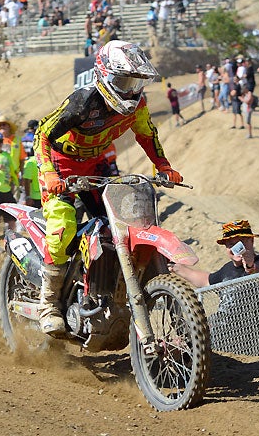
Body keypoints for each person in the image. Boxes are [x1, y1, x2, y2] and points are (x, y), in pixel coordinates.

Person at [34, 40, 183, 335]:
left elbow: (146, 133)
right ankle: (48, 303)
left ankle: (109, 286)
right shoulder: (83, 102)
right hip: (62, 168)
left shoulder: (137, 104)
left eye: (134, 82)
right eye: (123, 81)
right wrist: (50, 173)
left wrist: (163, 166)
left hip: (96, 166)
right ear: (103, 75)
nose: (128, 90)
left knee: (122, 222)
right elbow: (42, 135)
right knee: (62, 225)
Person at [171, 220, 259, 354]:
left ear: (251, 242)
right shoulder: (227, 269)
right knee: (177, 341)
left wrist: (251, 267)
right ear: (226, 247)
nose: (237, 248)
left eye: (242, 242)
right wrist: (176, 268)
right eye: (231, 244)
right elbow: (206, 280)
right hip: (219, 332)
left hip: (248, 338)